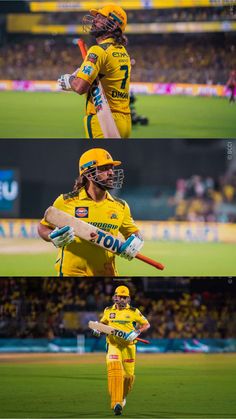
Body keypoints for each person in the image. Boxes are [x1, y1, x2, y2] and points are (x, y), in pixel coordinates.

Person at [38, 148, 143, 276]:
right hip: (71, 274)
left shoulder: (121, 206)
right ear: (88, 174)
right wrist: (51, 236)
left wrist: (135, 242)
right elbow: (43, 226)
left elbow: (134, 233)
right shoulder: (65, 201)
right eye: (104, 168)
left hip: (106, 273)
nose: (111, 173)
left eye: (111, 168)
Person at [58, 4, 131, 138]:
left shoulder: (98, 50)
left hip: (103, 120)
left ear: (114, 25)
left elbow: (80, 88)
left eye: (100, 17)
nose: (94, 20)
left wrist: (69, 80)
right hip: (124, 121)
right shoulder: (123, 52)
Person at [93, 285, 150, 416]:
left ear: (128, 298)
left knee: (128, 377)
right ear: (115, 297)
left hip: (129, 347)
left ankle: (122, 396)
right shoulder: (108, 310)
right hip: (113, 345)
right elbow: (102, 325)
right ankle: (116, 403)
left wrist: (137, 332)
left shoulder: (134, 311)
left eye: (125, 297)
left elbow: (147, 324)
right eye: (120, 297)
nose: (123, 300)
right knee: (115, 370)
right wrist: (97, 330)